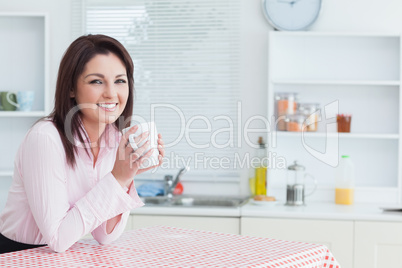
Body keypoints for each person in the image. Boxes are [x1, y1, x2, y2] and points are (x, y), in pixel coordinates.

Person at [0, 34, 165, 253]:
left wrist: (126, 176)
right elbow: (57, 239)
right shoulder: (45, 138)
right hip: (17, 255)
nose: (111, 93)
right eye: (97, 81)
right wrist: (118, 178)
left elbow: (105, 236)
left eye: (120, 80)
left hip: (63, 256)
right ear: (71, 88)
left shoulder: (114, 139)